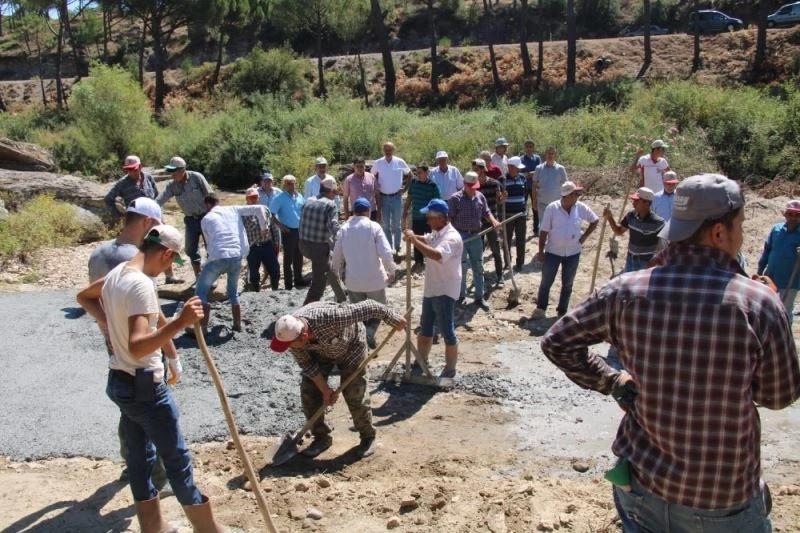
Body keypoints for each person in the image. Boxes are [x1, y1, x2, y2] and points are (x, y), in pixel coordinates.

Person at [541, 174, 799, 533]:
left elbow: (557, 342)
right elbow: (779, 395)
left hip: (643, 488)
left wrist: (613, 380)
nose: (741, 234)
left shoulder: (624, 290)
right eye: (739, 225)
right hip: (721, 499)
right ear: (719, 233)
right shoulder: (757, 303)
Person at [77, 225, 225, 533]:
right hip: (145, 387)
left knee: (139, 457)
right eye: (171, 262)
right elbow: (138, 344)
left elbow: (85, 297)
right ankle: (207, 529)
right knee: (177, 460)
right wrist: (180, 323)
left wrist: (109, 325)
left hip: (121, 381)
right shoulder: (141, 284)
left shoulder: (118, 273)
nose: (169, 268)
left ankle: (153, 525)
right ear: (167, 253)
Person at [87, 198, 172, 492]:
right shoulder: (136, 260)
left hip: (115, 350)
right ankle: (156, 477)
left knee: (128, 410)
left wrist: (110, 327)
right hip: (141, 350)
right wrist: (171, 351)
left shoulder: (98, 254)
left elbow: (90, 298)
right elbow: (153, 311)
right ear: (147, 223)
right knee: (152, 413)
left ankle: (133, 467)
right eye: (156, 228)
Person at [269, 301, 407, 459]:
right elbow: (307, 365)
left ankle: (367, 437)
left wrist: (393, 318)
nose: (288, 347)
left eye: (290, 345)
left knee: (354, 393)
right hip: (320, 352)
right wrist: (325, 389)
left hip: (351, 347)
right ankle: (322, 438)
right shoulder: (292, 338)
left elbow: (371, 306)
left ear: (304, 337)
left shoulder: (331, 317)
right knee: (309, 391)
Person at [404, 199, 463, 378]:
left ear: (441, 218)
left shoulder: (452, 237)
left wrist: (414, 240)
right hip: (432, 287)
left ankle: (450, 368)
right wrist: (414, 235)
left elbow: (436, 255)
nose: (428, 221)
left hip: (445, 289)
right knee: (425, 327)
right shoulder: (437, 233)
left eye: (430, 218)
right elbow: (428, 239)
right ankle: (421, 360)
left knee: (446, 330)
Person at [196, 194, 269, 333]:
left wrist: (206, 263)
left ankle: (202, 328)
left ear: (208, 205)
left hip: (218, 257)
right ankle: (237, 324)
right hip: (236, 256)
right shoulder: (233, 209)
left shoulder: (206, 218)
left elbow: (209, 243)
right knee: (233, 292)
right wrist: (263, 226)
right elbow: (260, 208)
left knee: (201, 291)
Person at [331, 197, 396, 348]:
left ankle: (363, 340)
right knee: (380, 309)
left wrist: (336, 272)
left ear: (354, 211)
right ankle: (370, 333)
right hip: (375, 280)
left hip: (354, 281)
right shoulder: (374, 227)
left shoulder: (344, 229)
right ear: (368, 211)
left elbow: (336, 255)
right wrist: (391, 270)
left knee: (359, 313)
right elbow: (385, 252)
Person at [532, 182, 598, 320]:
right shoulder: (552, 208)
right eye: (576, 194)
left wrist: (584, 237)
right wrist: (541, 251)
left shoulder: (580, 207)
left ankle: (562, 311)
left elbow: (595, 220)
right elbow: (544, 231)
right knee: (546, 282)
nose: (578, 196)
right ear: (568, 195)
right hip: (553, 252)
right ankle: (541, 308)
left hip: (573, 253)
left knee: (568, 284)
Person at [447, 171, 500, 309]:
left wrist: (493, 221)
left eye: (474, 186)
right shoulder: (455, 199)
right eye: (469, 186)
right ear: (464, 184)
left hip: (476, 236)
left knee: (478, 266)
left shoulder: (480, 197)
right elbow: (449, 219)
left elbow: (486, 212)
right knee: (462, 267)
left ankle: (479, 297)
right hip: (461, 237)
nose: (472, 189)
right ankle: (460, 296)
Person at [156, 156, 213, 278]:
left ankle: (210, 276)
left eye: (174, 171)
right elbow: (160, 199)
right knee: (190, 250)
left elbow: (210, 196)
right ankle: (198, 276)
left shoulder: (196, 177)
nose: (171, 174)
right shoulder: (172, 185)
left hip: (206, 217)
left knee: (211, 248)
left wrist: (214, 214)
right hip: (190, 220)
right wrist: (150, 207)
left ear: (183, 170)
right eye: (170, 171)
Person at [298, 177, 340, 305]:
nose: (335, 195)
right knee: (319, 283)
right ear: (330, 191)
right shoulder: (330, 205)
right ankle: (305, 311)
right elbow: (334, 226)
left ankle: (341, 297)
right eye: (335, 192)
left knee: (331, 270)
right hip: (318, 248)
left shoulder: (308, 201)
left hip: (303, 245)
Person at [604, 187, 666, 272]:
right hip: (630, 260)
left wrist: (654, 262)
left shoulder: (658, 223)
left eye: (637, 201)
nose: (633, 204)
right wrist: (610, 218)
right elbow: (618, 231)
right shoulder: (631, 216)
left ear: (647, 203)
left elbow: (666, 247)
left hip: (646, 263)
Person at [757, 199, 800, 322]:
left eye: (797, 215)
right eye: (790, 214)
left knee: (785, 310)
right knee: (767, 307)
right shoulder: (776, 229)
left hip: (790, 281)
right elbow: (767, 250)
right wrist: (760, 270)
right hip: (770, 277)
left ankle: (786, 338)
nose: (793, 217)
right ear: (785, 214)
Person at [372, 141, 411, 254]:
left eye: (390, 149)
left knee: (397, 224)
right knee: (386, 225)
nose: (388, 151)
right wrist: (376, 189)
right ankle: (389, 247)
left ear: (393, 150)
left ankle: (398, 247)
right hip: (383, 198)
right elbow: (372, 176)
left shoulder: (399, 161)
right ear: (383, 150)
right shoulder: (378, 163)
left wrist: (404, 189)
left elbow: (410, 175)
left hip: (396, 198)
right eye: (386, 149)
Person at [270, 175, 306, 290]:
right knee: (288, 258)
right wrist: (280, 225)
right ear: (284, 185)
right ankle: (288, 284)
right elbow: (270, 213)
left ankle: (299, 280)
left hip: (300, 230)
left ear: (295, 183)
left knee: (299, 256)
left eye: (292, 183)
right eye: (288, 183)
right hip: (288, 231)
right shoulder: (280, 197)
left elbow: (304, 210)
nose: (291, 185)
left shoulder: (299, 196)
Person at [473, 158, 505, 284]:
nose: (474, 172)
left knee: (496, 250)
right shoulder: (473, 185)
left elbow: (499, 201)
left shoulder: (494, 183)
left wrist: (503, 198)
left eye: (476, 169)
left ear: (482, 170)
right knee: (478, 252)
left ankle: (500, 276)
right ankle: (478, 278)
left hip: (492, 222)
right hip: (477, 223)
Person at [403, 164, 441, 270]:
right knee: (416, 238)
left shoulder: (433, 185)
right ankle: (418, 262)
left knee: (431, 239)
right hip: (416, 216)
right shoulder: (414, 183)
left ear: (426, 172)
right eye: (416, 173)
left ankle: (431, 260)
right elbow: (409, 197)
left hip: (429, 218)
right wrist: (405, 211)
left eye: (420, 173)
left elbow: (437, 201)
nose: (418, 175)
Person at [243, 188, 281, 292]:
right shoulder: (242, 213)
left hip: (267, 245)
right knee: (254, 274)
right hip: (252, 247)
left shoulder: (265, 209)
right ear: (247, 199)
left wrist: (277, 242)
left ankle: (275, 289)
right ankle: (256, 292)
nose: (254, 199)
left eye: (256, 197)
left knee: (275, 270)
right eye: (251, 197)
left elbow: (274, 227)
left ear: (259, 198)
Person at [501, 156, 531, 272]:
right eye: (516, 168)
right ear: (510, 167)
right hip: (507, 216)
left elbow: (525, 194)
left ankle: (520, 263)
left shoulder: (522, 178)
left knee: (520, 240)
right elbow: (499, 198)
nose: (518, 170)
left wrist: (525, 209)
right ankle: (507, 262)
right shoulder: (502, 179)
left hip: (521, 215)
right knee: (506, 240)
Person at [532, 147, 568, 234]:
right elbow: (534, 185)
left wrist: (566, 201)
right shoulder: (539, 168)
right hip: (542, 203)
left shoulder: (561, 169)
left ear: (555, 155)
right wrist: (534, 201)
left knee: (556, 226)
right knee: (543, 226)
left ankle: (555, 246)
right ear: (545, 155)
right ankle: (543, 246)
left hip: (557, 204)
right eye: (548, 153)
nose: (550, 155)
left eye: (552, 154)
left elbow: (565, 186)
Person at [520, 140, 543, 236]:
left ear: (533, 148)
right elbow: (519, 173)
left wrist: (532, 173)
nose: (529, 149)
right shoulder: (521, 159)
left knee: (535, 207)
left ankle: (536, 228)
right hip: (524, 186)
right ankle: (521, 229)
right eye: (527, 147)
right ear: (524, 148)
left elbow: (540, 170)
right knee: (522, 207)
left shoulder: (537, 158)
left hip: (535, 186)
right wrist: (527, 174)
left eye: (531, 147)